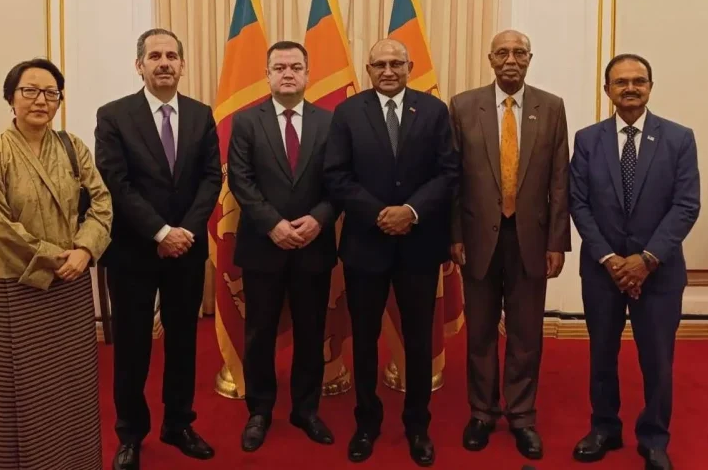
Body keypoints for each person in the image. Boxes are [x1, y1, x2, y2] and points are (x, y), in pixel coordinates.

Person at [0, 58, 113, 470]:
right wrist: (55, 259)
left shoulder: (72, 147)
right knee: (16, 392)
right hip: (17, 286)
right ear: (10, 98)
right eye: (29, 90)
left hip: (71, 286)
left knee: (71, 387)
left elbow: (102, 202)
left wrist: (85, 250)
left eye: (50, 93)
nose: (40, 100)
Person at [324, 38, 458, 467]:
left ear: (409, 67)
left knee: (418, 339)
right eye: (379, 64)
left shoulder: (433, 110)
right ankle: (367, 422)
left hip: (419, 245)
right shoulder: (348, 113)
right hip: (366, 244)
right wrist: (379, 213)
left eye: (396, 63)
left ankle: (417, 424)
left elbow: (449, 172)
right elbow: (336, 175)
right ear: (368, 69)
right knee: (364, 339)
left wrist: (411, 212)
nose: (387, 71)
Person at [95, 28, 222, 470]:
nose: (164, 62)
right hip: (133, 251)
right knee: (132, 348)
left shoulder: (201, 114)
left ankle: (178, 424)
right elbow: (116, 183)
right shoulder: (114, 115)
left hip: (187, 249)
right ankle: (130, 434)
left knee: (184, 342)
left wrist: (184, 231)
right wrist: (160, 232)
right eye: (155, 56)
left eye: (171, 56)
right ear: (140, 66)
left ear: (182, 64)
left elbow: (212, 178)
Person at [570, 54, 700, 470]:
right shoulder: (587, 140)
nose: (630, 88)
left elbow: (686, 205)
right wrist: (610, 258)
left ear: (650, 87)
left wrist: (646, 259)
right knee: (602, 356)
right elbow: (578, 203)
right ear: (607, 89)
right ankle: (604, 428)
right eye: (621, 81)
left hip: (659, 272)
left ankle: (654, 437)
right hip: (602, 271)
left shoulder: (679, 138)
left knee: (657, 360)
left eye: (638, 81)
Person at [448, 29, 571, 461]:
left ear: (530, 59)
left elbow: (560, 178)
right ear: (490, 59)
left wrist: (557, 241)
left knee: (526, 333)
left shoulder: (551, 107)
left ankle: (521, 415)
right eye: (503, 53)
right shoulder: (463, 106)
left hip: (531, 240)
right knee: (480, 332)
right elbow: (453, 178)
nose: (511, 60)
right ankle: (482, 413)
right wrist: (454, 235)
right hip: (477, 239)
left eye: (519, 52)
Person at [228, 40, 338, 452]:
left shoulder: (330, 122)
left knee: (311, 332)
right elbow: (240, 180)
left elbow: (340, 179)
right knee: (259, 333)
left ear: (308, 74)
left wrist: (320, 218)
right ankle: (259, 411)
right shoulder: (245, 121)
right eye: (279, 67)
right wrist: (272, 224)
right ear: (267, 75)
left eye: (295, 67)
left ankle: (306, 409)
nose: (288, 73)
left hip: (313, 245)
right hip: (263, 247)